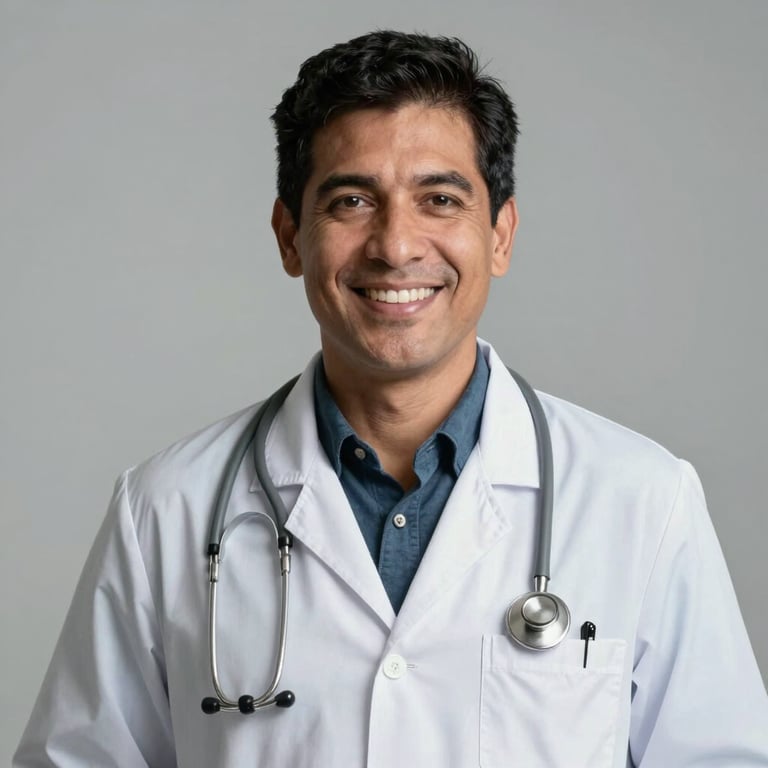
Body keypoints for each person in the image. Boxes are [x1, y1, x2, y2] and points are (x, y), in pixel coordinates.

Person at [14, 30, 768, 768]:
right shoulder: (166, 509)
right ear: (289, 236)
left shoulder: (641, 498)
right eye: (350, 200)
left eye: (440, 198)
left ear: (500, 235)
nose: (396, 245)